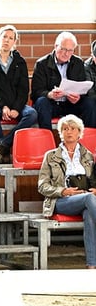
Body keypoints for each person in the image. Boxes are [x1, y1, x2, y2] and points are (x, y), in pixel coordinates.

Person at [38, 114, 96, 269]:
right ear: (60, 133)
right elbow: (42, 186)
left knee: (90, 214)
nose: (68, 132)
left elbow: (93, 180)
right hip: (60, 201)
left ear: (79, 132)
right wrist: (64, 191)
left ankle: (92, 266)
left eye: (72, 129)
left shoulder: (88, 156)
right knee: (89, 199)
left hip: (86, 199)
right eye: (65, 129)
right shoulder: (50, 156)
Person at [0, 25, 37, 164]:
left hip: (16, 105)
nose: (7, 40)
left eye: (11, 38)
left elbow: (24, 90)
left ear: (14, 42)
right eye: (4, 37)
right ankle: (1, 149)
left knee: (32, 114)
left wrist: (17, 109)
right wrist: (3, 106)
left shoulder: (20, 62)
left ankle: (2, 147)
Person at [31, 32, 96, 132]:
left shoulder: (78, 62)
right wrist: (50, 94)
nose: (66, 53)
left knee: (90, 103)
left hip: (71, 104)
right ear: (56, 46)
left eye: (70, 50)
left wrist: (78, 98)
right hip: (51, 104)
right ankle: (47, 140)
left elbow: (82, 87)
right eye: (63, 49)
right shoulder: (42, 64)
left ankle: (88, 141)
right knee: (41, 102)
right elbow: (36, 92)